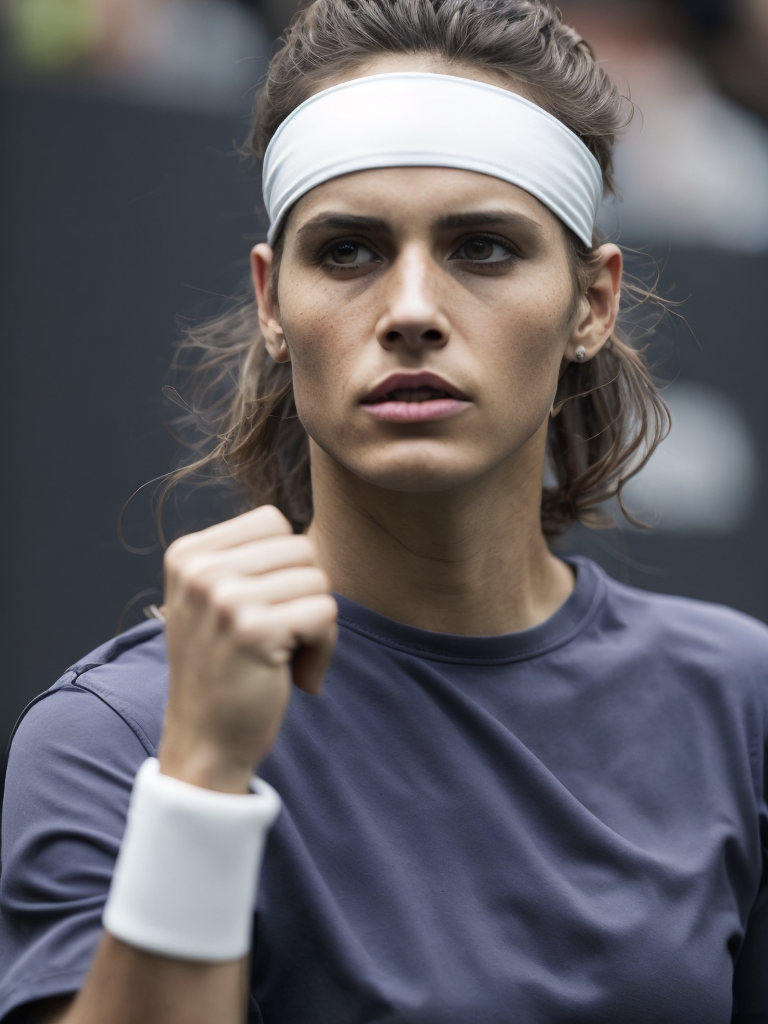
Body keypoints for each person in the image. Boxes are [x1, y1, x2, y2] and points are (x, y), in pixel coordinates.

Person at [1, 0, 767, 1022]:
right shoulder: (117, 737)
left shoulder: (742, 702)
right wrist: (199, 781)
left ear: (593, 303)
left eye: (484, 248)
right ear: (273, 303)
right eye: (350, 251)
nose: (410, 309)